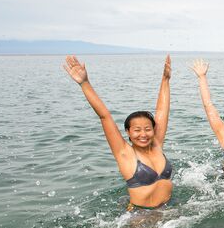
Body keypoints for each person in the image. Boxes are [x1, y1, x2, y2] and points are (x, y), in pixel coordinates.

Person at [62, 55, 174, 210]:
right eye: (137, 130)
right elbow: (104, 116)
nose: (143, 134)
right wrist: (84, 83)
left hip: (169, 210)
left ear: (153, 130)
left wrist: (165, 80)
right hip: (141, 217)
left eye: (147, 129)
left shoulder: (156, 144)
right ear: (128, 132)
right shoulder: (124, 153)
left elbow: (162, 112)